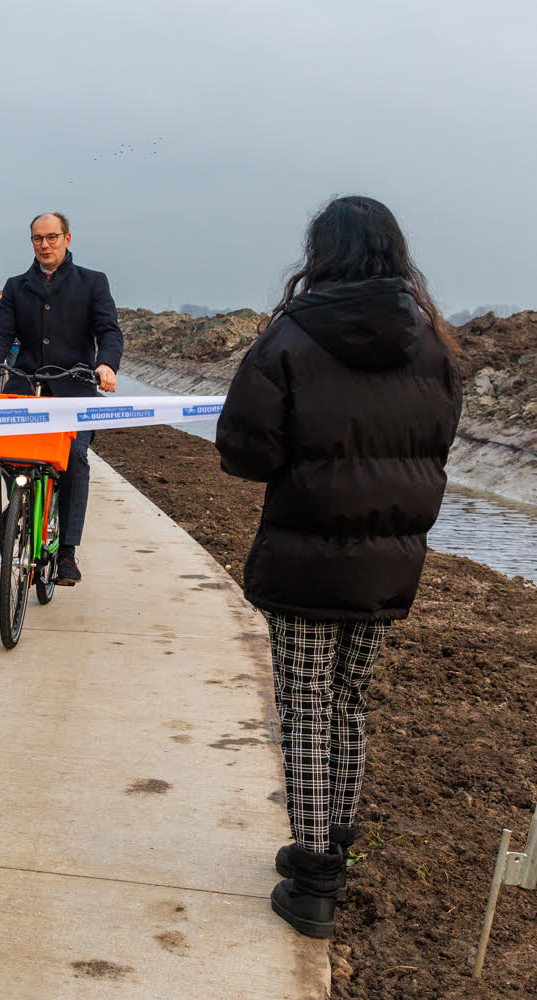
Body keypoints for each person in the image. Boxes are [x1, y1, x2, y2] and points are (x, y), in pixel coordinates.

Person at [215, 195, 461, 938]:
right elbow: (439, 442)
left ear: (320, 253)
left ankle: (316, 871)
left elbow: (244, 448)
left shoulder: (291, 336)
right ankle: (333, 837)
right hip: (389, 557)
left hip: (307, 553)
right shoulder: (435, 345)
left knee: (306, 706)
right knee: (348, 701)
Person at [0, 212, 122, 585]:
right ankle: (18, 508)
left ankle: (67, 551)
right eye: (38, 238)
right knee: (5, 454)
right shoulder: (17, 286)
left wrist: (105, 365)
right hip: (26, 388)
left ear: (67, 239)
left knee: (74, 460)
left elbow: (108, 330)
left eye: (52, 237)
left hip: (75, 391)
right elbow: (3, 334)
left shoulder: (92, 283)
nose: (45, 245)